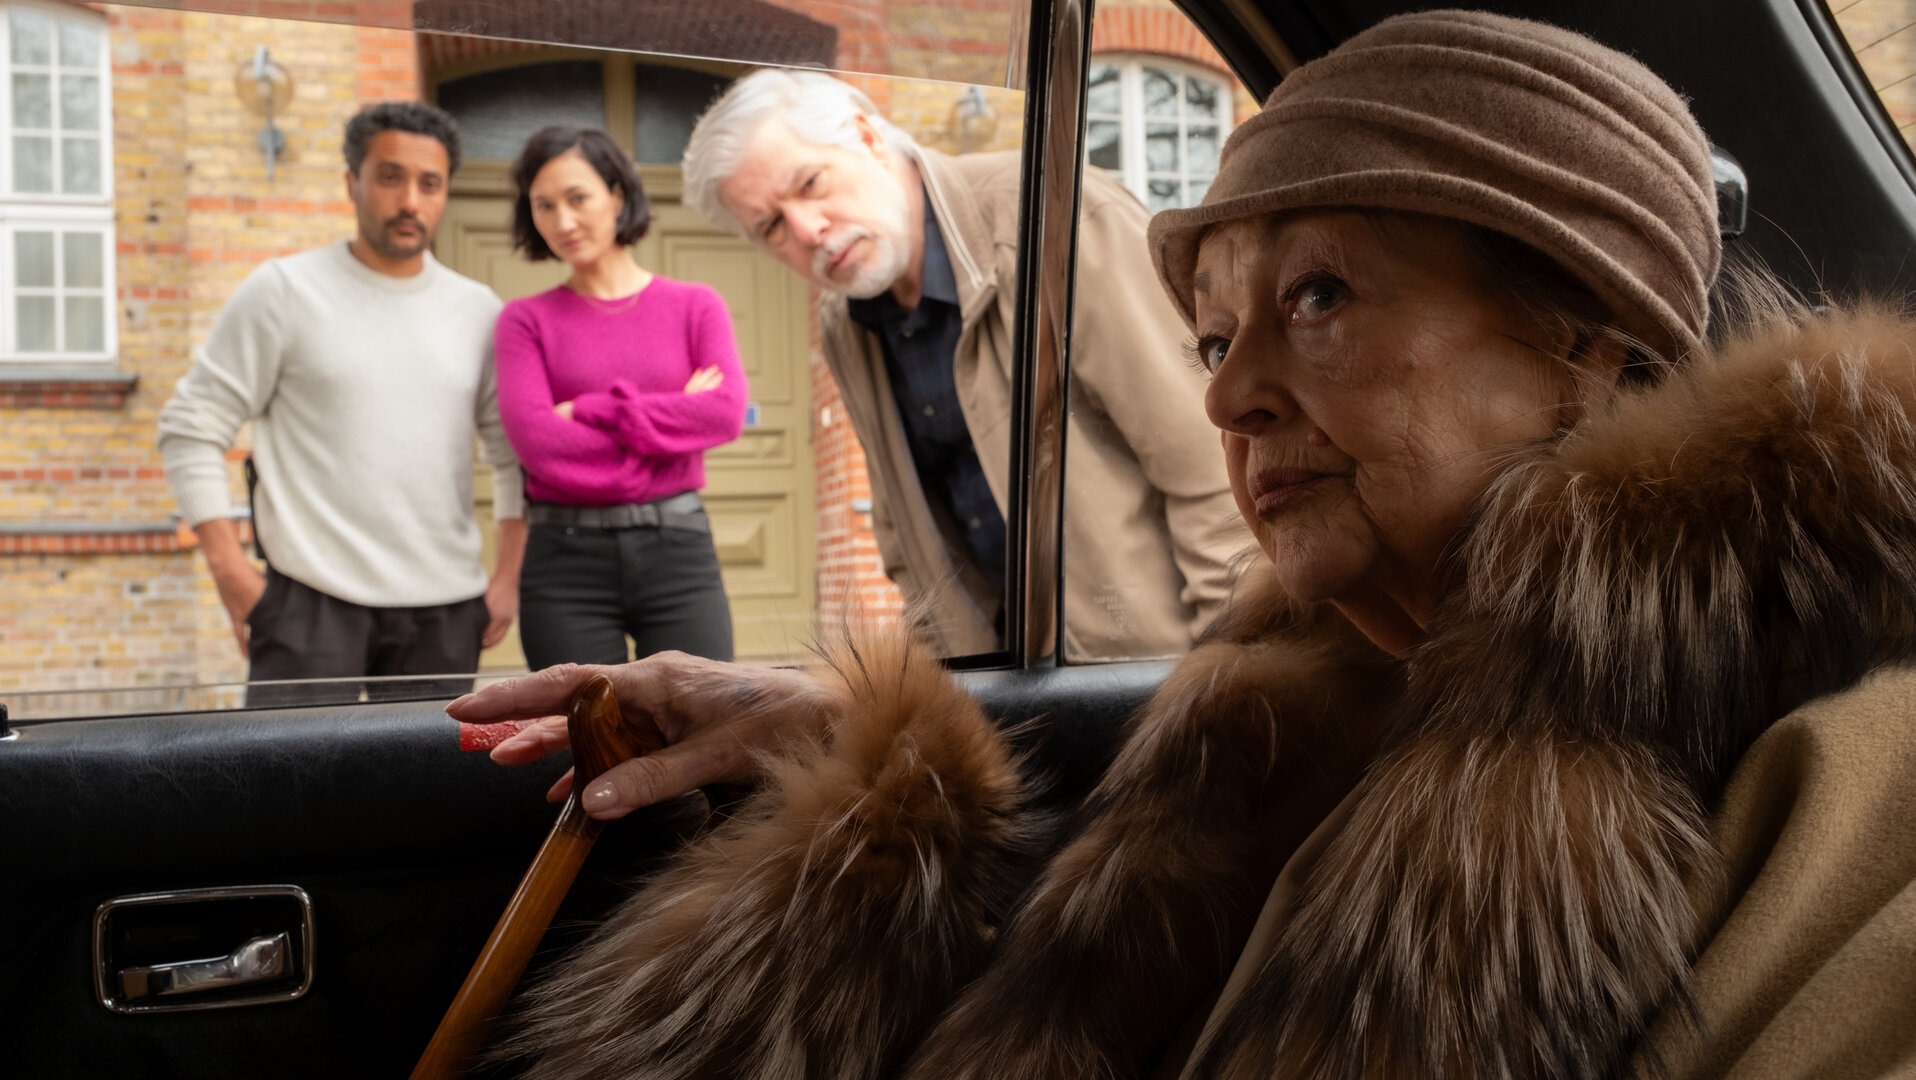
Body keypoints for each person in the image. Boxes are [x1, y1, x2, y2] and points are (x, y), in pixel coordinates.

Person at [452, 11, 1916, 1078]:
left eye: (1320, 297)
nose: (1225, 393)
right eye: (1214, 335)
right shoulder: (1328, 692)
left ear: (1588, 344)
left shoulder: (1844, 770)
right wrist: (868, 744)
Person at [679, 69, 1247, 658]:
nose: (807, 229)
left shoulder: (1057, 219)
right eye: (771, 226)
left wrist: (1228, 666)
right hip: (997, 679)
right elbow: (904, 536)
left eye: (810, 182)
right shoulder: (844, 323)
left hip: (1146, 667)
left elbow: (1213, 466)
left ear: (867, 137)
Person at [159, 102, 525, 704]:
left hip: (445, 610)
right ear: (352, 182)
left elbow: (512, 454)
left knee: (426, 771)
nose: (410, 200)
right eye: (390, 177)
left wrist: (507, 576)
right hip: (307, 601)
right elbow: (190, 427)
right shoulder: (284, 291)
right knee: (287, 769)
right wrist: (229, 570)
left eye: (429, 183)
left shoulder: (479, 310)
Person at [493, 127, 744, 670]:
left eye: (577, 198)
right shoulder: (524, 320)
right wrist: (666, 432)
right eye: (544, 206)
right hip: (565, 563)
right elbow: (538, 444)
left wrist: (590, 410)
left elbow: (724, 413)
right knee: (580, 720)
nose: (562, 221)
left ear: (617, 194)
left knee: (697, 714)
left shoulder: (696, 306)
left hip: (678, 551)